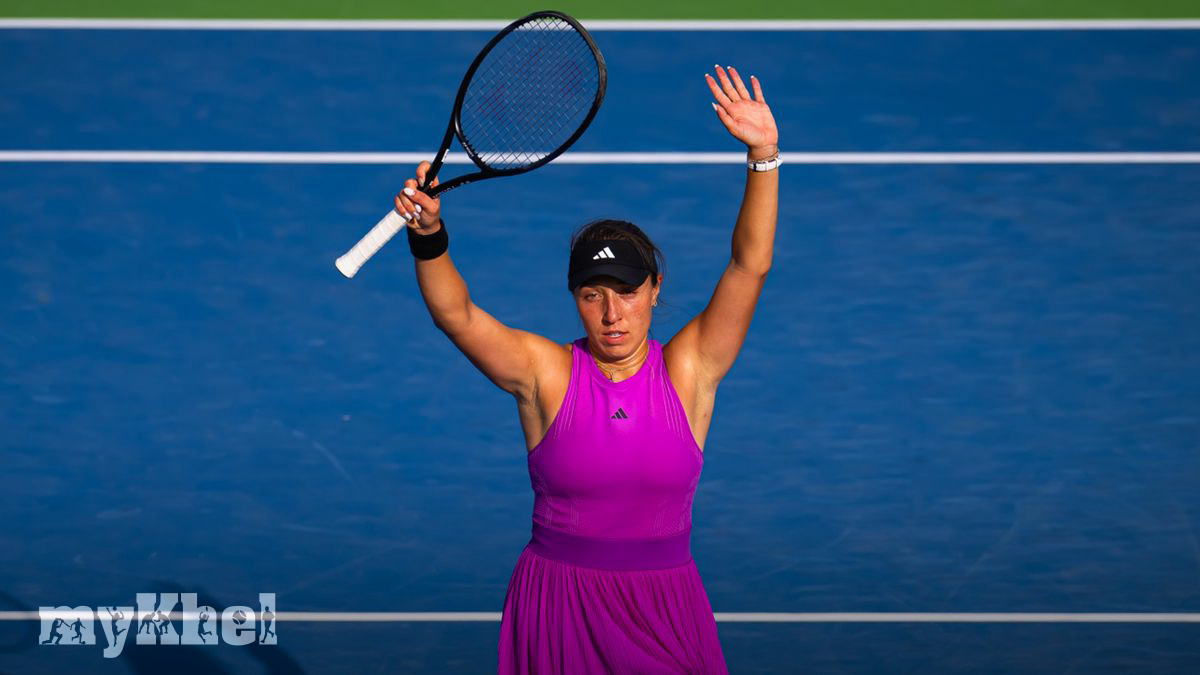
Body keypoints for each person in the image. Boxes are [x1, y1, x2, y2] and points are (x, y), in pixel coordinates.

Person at [394, 65, 778, 673]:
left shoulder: (690, 369)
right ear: (575, 297)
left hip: (663, 609)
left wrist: (763, 156)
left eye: (626, 292)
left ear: (655, 290)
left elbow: (748, 267)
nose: (611, 313)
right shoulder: (546, 373)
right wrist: (430, 236)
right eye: (592, 293)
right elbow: (458, 316)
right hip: (559, 605)